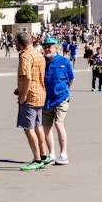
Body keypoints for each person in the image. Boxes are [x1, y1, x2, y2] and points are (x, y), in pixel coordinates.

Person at [13, 32, 48, 171]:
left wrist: (23, 95)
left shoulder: (25, 56)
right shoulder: (39, 54)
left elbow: (27, 77)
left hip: (30, 95)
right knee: (38, 126)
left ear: (19, 44)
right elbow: (35, 75)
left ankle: (37, 158)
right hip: (40, 93)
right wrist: (19, 88)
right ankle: (44, 155)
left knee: (28, 128)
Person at [42, 37, 73, 165]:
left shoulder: (64, 62)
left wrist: (64, 91)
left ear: (56, 48)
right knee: (47, 128)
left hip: (61, 98)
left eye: (50, 46)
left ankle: (63, 154)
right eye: (45, 47)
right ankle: (51, 154)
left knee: (59, 124)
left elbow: (71, 79)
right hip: (46, 100)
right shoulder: (42, 62)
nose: (47, 49)